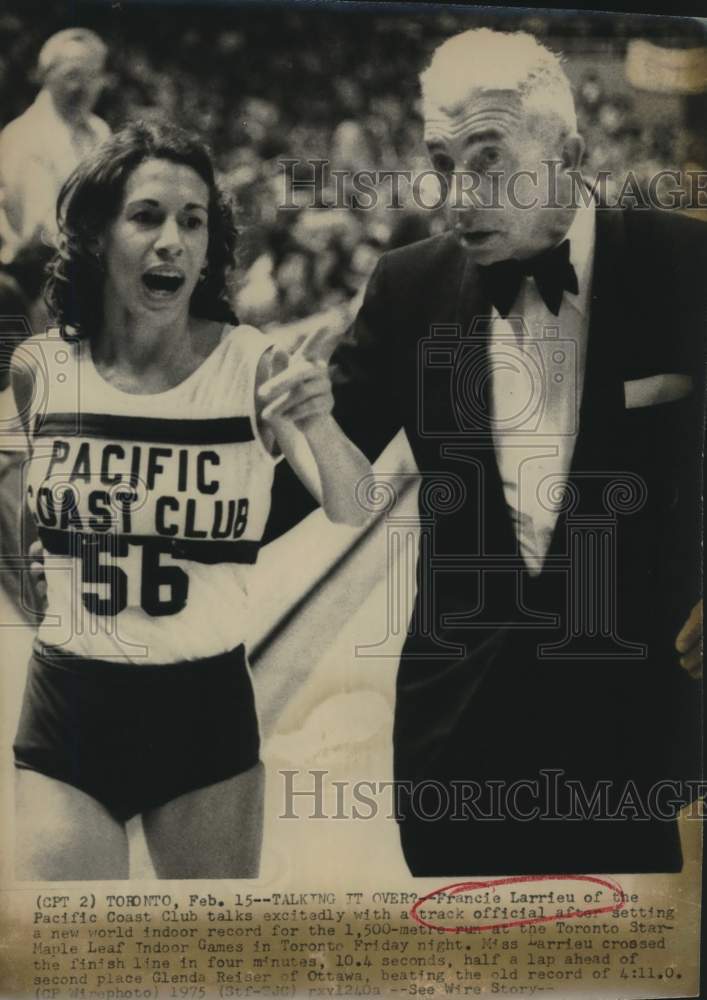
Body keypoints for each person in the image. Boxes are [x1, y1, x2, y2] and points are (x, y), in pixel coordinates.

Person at [326, 28, 704, 875]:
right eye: (441, 161)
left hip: (634, 731)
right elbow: (309, 471)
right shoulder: (406, 286)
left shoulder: (686, 265)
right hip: (455, 739)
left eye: (488, 162)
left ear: (567, 154)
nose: (457, 197)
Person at [11, 119, 373, 880]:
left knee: (202, 977)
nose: (171, 239)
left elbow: (354, 503)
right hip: (69, 706)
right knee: (70, 964)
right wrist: (39, 589)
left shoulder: (253, 365)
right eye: (146, 216)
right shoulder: (39, 368)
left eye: (193, 220)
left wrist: (318, 418)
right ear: (100, 234)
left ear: (210, 247)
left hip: (201, 714)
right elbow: (15, 511)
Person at [0, 28, 110, 265]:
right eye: (73, 75)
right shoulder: (25, 135)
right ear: (46, 75)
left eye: (93, 75)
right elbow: (41, 230)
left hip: (87, 260)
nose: (83, 87)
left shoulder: (100, 131)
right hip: (37, 273)